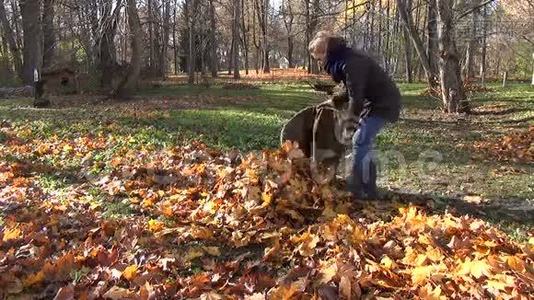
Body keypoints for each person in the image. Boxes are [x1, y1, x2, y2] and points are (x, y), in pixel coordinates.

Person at [308, 31, 401, 200]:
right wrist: (334, 101)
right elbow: (351, 90)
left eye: (319, 59)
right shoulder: (344, 59)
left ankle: (356, 188)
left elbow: (356, 98)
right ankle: (370, 189)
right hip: (374, 103)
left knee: (360, 140)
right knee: (364, 143)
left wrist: (349, 126)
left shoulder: (350, 63)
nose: (320, 64)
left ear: (326, 54)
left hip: (384, 104)